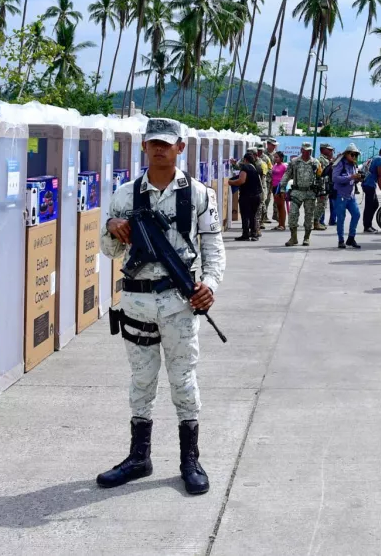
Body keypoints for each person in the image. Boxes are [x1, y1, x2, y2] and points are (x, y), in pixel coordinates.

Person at [97, 118, 225, 496]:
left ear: (180, 148)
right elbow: (108, 251)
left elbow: (214, 248)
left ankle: (190, 460)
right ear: (144, 146)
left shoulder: (200, 194)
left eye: (166, 144)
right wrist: (112, 227)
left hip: (178, 304)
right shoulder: (125, 194)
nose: (159, 149)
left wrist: (209, 285)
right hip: (136, 302)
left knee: (183, 380)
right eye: (153, 143)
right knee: (141, 379)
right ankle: (139, 457)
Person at [281, 142, 322, 246]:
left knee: (309, 216)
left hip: (310, 193)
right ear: (301, 150)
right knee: (292, 214)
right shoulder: (294, 162)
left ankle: (306, 237)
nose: (308, 152)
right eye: (306, 150)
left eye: (310, 150)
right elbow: (287, 175)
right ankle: (293, 238)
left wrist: (321, 192)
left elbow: (320, 177)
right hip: (297, 192)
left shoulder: (315, 162)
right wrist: (282, 188)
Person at [332, 143, 364, 249]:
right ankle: (341, 240)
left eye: (356, 155)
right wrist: (351, 177)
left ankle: (351, 238)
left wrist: (357, 178)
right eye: (352, 154)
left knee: (356, 214)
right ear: (346, 154)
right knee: (341, 218)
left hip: (350, 195)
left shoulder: (353, 165)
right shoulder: (340, 163)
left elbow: (352, 179)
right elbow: (335, 178)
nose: (354, 157)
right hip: (340, 195)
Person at [227, 151, 261, 241]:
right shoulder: (255, 167)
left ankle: (245, 234)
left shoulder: (245, 167)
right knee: (253, 215)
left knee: (245, 215)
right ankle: (254, 234)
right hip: (256, 195)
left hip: (247, 196)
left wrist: (231, 182)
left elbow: (241, 180)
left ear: (245, 160)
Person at [362, 145, 381, 233]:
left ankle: (368, 225)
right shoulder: (379, 159)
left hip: (367, 184)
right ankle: (367, 226)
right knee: (370, 205)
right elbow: (379, 175)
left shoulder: (374, 158)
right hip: (369, 184)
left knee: (374, 204)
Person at [314, 143, 335, 231]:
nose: (331, 151)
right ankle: (317, 222)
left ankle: (317, 221)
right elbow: (320, 174)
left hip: (326, 185)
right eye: (329, 150)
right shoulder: (321, 160)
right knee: (321, 204)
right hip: (321, 185)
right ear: (323, 150)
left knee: (322, 204)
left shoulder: (327, 159)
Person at [259, 139, 278, 228]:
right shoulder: (263, 153)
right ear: (268, 144)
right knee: (264, 198)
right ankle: (263, 216)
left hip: (272, 180)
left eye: (275, 145)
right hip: (264, 179)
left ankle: (272, 215)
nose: (274, 146)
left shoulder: (275, 154)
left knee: (269, 198)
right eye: (272, 145)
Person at [270, 151, 288, 231]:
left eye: (277, 157)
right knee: (278, 206)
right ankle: (279, 224)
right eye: (275, 157)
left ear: (281, 158)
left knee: (281, 206)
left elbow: (287, 177)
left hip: (280, 187)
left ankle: (283, 225)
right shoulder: (274, 165)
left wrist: (284, 189)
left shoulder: (284, 166)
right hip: (274, 187)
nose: (275, 158)